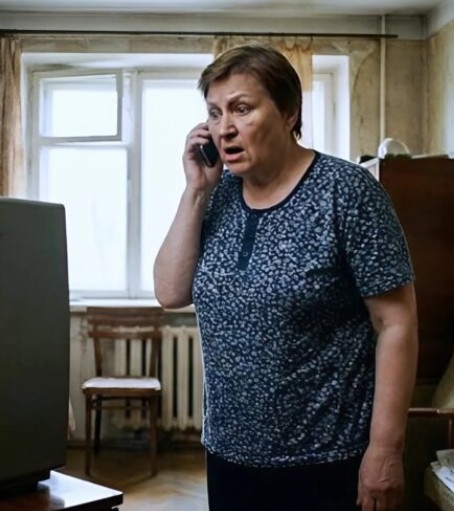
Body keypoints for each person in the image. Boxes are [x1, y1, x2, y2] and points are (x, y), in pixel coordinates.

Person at [153, 44, 418, 511]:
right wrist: (195, 190)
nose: (224, 127)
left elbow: (396, 323)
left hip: (326, 461)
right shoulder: (215, 195)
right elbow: (170, 292)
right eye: (214, 112)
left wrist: (385, 450)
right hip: (229, 456)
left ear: (290, 112)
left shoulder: (347, 192)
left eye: (241, 108)